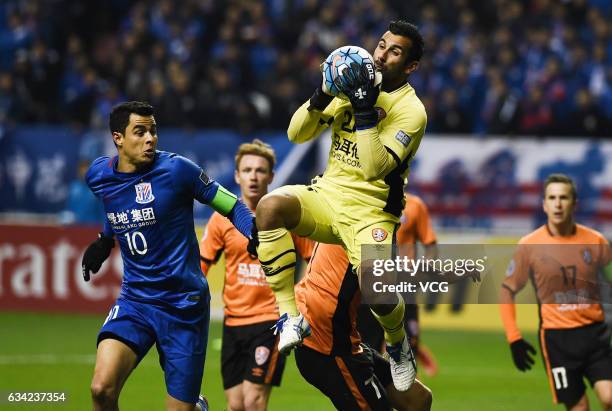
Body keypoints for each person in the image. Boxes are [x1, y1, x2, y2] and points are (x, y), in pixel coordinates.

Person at [251, 19, 426, 392]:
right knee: (268, 208)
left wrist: (363, 108)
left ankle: (397, 343)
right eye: (381, 44)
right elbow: (296, 134)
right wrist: (322, 93)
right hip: (327, 196)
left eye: (395, 51)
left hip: (372, 211)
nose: (382, 54)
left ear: (410, 66)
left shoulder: (412, 111)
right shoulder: (352, 82)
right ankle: (289, 316)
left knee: (375, 287)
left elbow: (373, 168)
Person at [81, 101, 254, 411]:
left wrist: (254, 233)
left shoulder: (178, 170)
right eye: (140, 132)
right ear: (118, 138)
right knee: (101, 390)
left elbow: (231, 204)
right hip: (136, 300)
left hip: (183, 307)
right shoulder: (98, 174)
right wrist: (105, 239)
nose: (150, 139)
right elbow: (115, 200)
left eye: (153, 131)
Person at [199, 139, 313, 411]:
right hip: (233, 322)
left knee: (254, 401)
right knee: (236, 405)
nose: (253, 176)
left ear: (271, 176)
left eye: (260, 170)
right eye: (247, 170)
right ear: (237, 175)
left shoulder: (285, 215)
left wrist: (300, 296)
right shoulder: (221, 219)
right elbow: (201, 264)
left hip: (271, 320)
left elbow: (313, 258)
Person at [500, 174, 612, 411]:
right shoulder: (529, 246)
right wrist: (514, 338)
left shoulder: (596, 241)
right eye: (552, 198)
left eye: (563, 197)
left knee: (609, 397)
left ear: (574, 203)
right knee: (579, 408)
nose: (558, 203)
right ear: (544, 204)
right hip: (557, 340)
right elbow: (507, 290)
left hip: (596, 336)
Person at [294, 241, 433, 411]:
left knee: (419, 400)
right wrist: (397, 342)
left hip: (347, 341)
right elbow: (380, 296)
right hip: (328, 347)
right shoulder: (367, 228)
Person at [357, 192, 439, 376]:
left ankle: (409, 397)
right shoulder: (366, 200)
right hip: (372, 285)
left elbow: (430, 244)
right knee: (367, 347)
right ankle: (372, 397)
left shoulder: (415, 205)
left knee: (408, 346)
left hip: (403, 285)